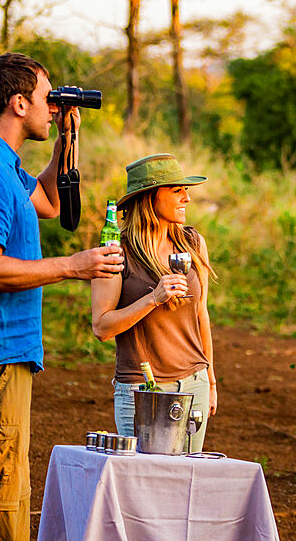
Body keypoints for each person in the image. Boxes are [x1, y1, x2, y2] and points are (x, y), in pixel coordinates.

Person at [0, 52, 124, 541]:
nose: (53, 105)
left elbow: (49, 203)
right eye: (46, 97)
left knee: (6, 498)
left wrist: (65, 140)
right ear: (19, 103)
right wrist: (73, 266)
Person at [90, 153, 218, 451]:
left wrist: (210, 381)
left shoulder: (193, 243)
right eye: (177, 191)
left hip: (193, 384)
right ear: (150, 198)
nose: (187, 198)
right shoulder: (116, 252)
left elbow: (201, 315)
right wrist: (153, 298)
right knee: (142, 486)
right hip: (141, 390)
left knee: (185, 483)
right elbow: (102, 327)